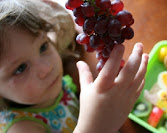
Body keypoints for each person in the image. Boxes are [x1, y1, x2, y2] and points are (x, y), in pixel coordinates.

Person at [0, 0, 149, 133]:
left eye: (43, 47)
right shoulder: (21, 128)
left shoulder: (46, 87)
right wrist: (95, 128)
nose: (47, 68)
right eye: (20, 68)